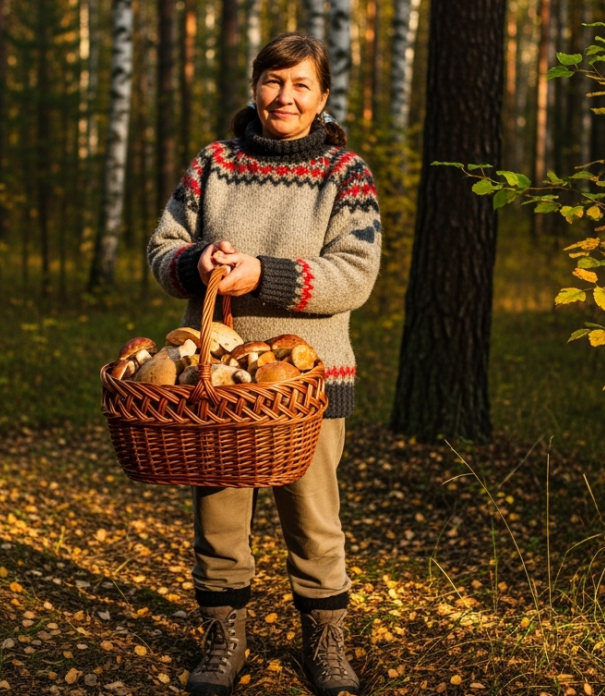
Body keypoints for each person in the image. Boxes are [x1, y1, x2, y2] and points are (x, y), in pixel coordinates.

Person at [147, 32, 381, 696]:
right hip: (216, 386)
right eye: (273, 82)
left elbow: (354, 275)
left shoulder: (345, 174)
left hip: (311, 385)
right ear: (255, 88)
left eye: (300, 84)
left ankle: (326, 645)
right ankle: (224, 639)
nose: (284, 96)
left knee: (314, 520)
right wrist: (197, 263)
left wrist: (262, 275)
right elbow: (163, 248)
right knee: (220, 522)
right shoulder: (213, 163)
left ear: (323, 97)